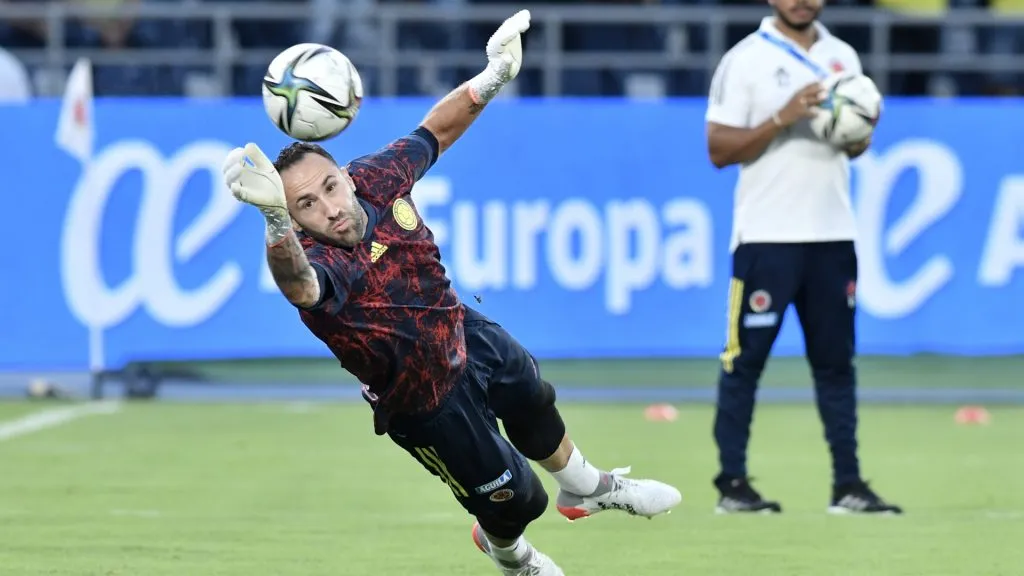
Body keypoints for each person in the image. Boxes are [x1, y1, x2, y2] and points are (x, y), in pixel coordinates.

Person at [222, 10, 681, 575]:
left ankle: (587, 486)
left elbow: (435, 131)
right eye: (305, 206)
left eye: (330, 187)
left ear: (345, 173)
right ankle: (512, 557)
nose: (331, 208)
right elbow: (299, 288)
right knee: (519, 500)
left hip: (461, 329)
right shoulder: (316, 260)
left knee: (533, 395)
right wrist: (272, 221)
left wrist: (491, 78)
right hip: (424, 402)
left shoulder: (377, 177)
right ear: (293, 218)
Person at [704, 0, 903, 515]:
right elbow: (719, 149)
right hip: (766, 237)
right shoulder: (744, 59)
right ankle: (732, 485)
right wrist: (782, 116)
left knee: (836, 366)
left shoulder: (843, 56)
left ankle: (849, 485)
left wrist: (858, 129)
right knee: (743, 363)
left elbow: (853, 146)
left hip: (833, 235)